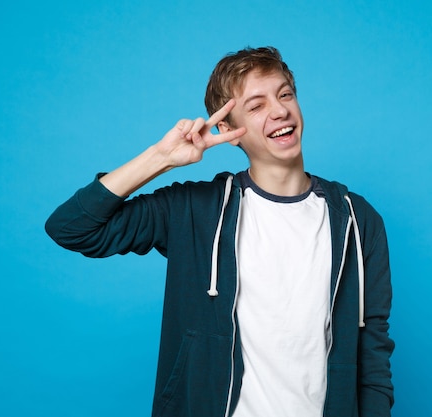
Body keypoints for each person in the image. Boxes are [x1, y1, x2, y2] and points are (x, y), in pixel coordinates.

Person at [46, 46, 394, 417]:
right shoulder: (195, 210)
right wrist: (161, 158)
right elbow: (72, 227)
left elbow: (371, 351)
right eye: (256, 105)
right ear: (228, 131)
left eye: (285, 94)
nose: (279, 111)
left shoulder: (357, 219)